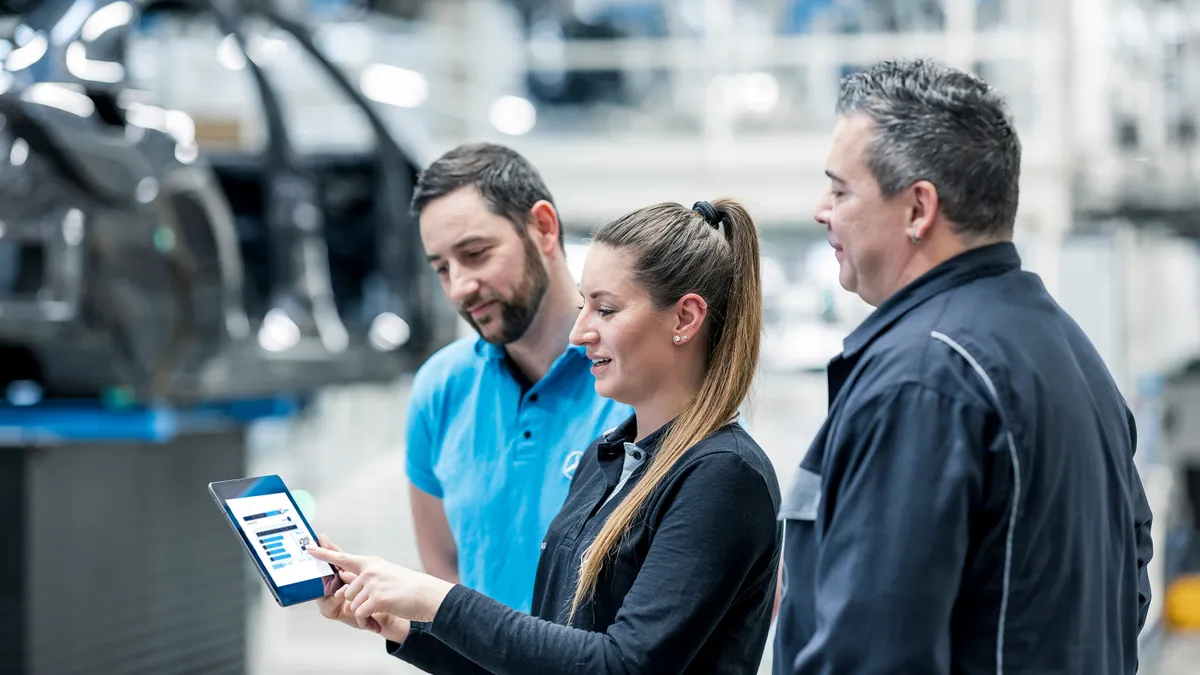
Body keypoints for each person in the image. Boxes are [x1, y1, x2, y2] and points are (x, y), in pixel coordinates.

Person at [774, 59, 1154, 675]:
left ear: (918, 208)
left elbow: (873, 655)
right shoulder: (1068, 351)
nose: (823, 210)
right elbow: (1127, 586)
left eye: (841, 189)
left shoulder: (923, 378)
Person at [310, 198, 782, 674]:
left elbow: (622, 667)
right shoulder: (609, 461)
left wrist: (439, 600)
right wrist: (401, 622)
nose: (580, 333)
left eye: (606, 309)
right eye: (583, 306)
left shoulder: (723, 475)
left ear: (684, 318)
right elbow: (542, 661)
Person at [401, 143, 631, 613]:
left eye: (475, 253)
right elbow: (443, 574)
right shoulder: (439, 389)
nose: (460, 286)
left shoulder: (643, 381)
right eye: (443, 268)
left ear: (543, 228)